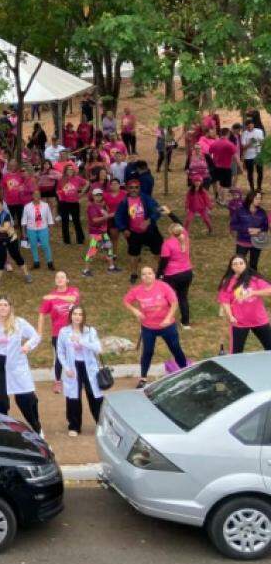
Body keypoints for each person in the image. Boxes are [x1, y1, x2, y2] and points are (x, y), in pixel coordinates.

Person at [0, 297, 42, 434]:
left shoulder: (19, 323)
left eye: (5, 305)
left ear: (10, 307)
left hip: (15, 363)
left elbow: (36, 336)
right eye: (0, 305)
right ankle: (2, 429)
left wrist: (27, 346)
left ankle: (37, 427)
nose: (2, 307)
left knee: (26, 397)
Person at [124, 266, 189, 387]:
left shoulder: (163, 286)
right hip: (148, 328)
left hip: (167, 326)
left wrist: (168, 317)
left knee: (176, 349)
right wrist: (135, 311)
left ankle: (186, 371)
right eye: (144, 274)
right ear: (141, 277)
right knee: (147, 352)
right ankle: (143, 378)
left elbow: (174, 302)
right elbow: (126, 301)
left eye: (149, 273)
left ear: (154, 275)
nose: (147, 276)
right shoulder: (137, 290)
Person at [56, 306, 104, 436]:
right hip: (73, 367)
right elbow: (60, 352)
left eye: (80, 314)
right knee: (73, 397)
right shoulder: (64, 332)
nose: (77, 317)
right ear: (71, 315)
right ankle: (74, 426)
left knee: (95, 396)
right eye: (75, 314)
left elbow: (98, 348)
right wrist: (66, 368)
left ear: (83, 317)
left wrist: (81, 341)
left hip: (89, 368)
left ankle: (102, 425)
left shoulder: (90, 331)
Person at [36, 271, 81, 392]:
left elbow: (73, 299)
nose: (60, 279)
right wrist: (39, 332)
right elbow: (41, 313)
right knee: (59, 357)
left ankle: (78, 379)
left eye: (62, 277)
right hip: (58, 333)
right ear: (55, 280)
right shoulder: (50, 297)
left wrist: (56, 297)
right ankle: (57, 381)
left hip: (74, 331)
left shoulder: (73, 291)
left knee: (77, 354)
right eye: (57, 277)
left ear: (67, 280)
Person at [217, 255, 271, 353]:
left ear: (246, 265)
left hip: (259, 320)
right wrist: (230, 316)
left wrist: (254, 292)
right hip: (239, 323)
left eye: (241, 263)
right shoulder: (227, 282)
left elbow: (269, 291)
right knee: (236, 353)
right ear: (231, 267)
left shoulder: (255, 279)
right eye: (235, 264)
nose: (238, 266)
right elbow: (225, 301)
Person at [114, 179, 164, 283]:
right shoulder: (124, 201)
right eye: (131, 188)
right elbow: (118, 216)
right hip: (134, 233)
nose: (134, 190)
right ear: (127, 189)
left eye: (136, 187)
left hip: (150, 231)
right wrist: (123, 229)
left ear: (139, 188)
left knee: (158, 252)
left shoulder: (146, 199)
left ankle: (161, 272)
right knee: (134, 254)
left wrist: (149, 220)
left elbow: (159, 209)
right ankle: (134, 273)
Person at [0, 197, 30, 287]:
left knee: (16, 256)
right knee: (1, 259)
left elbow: (5, 229)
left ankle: (27, 274)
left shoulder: (6, 215)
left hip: (10, 239)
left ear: (2, 205)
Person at [158, 223, 194, 329]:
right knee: (183, 297)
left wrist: (159, 274)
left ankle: (166, 319)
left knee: (168, 298)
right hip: (187, 272)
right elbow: (181, 224)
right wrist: (170, 214)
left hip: (171, 275)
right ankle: (186, 322)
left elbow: (164, 261)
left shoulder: (167, 244)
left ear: (170, 232)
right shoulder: (186, 238)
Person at [233, 190, 269, 271]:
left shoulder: (262, 212)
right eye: (257, 198)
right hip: (242, 242)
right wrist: (246, 229)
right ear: (250, 198)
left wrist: (259, 230)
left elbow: (265, 227)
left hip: (257, 243)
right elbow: (233, 225)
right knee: (239, 265)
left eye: (260, 198)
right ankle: (239, 281)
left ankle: (252, 281)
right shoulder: (240, 211)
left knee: (253, 265)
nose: (259, 200)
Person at [21, 190, 55, 270]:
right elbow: (24, 221)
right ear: (32, 196)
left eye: (38, 194)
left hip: (43, 229)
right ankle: (36, 262)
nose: (36, 196)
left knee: (45, 245)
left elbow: (49, 218)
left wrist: (51, 230)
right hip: (31, 229)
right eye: (35, 194)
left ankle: (49, 262)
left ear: (40, 196)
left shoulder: (46, 205)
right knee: (33, 245)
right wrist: (23, 232)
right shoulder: (27, 207)